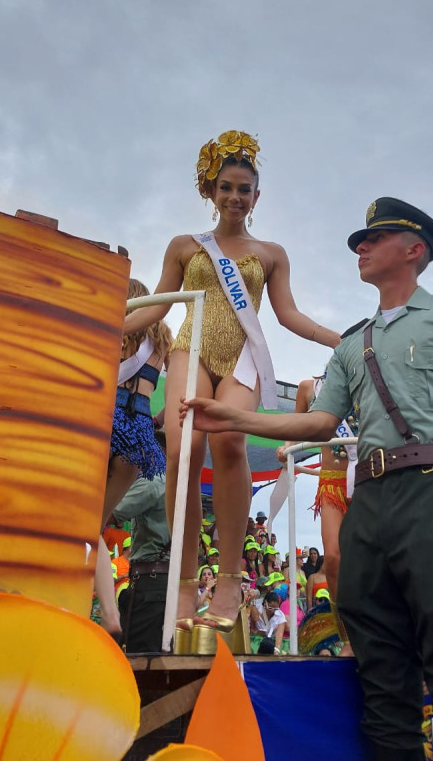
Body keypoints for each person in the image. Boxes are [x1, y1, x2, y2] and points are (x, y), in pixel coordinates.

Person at [182, 198, 433, 761]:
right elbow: (322, 421)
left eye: (375, 238)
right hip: (367, 507)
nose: (360, 248)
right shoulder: (353, 341)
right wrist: (236, 417)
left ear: (414, 250)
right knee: (383, 690)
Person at [122, 130, 339, 655]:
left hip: (241, 360)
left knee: (230, 444)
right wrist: (114, 319)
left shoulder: (271, 254)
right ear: (210, 191)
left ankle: (228, 580)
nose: (236, 198)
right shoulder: (185, 246)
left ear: (257, 197)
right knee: (183, 446)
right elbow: (158, 307)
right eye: (227, 188)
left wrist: (345, 339)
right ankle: (184, 578)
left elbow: (287, 316)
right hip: (190, 351)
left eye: (245, 189)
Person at [95, 278, 172, 636]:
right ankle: (110, 617)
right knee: (97, 522)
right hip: (140, 435)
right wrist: (158, 420)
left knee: (83, 526)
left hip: (106, 423)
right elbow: (180, 386)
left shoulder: (118, 329)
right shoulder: (162, 341)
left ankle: (106, 614)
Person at [276, 372, 358, 654]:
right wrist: (287, 447)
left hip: (367, 480)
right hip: (333, 483)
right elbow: (295, 428)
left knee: (368, 562)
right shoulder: (309, 388)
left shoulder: (370, 379)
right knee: (333, 558)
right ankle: (346, 637)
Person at [107, 475, 171, 653]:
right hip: (161, 580)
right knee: (154, 651)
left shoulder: (154, 480)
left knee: (141, 655)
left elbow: (110, 513)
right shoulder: (179, 481)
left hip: (152, 581)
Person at [249, 590, 287, 654]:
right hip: (257, 642)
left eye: (275, 609)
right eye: (270, 608)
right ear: (265, 603)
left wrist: (277, 650)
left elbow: (279, 634)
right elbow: (254, 621)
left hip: (272, 643)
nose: (273, 611)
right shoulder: (257, 609)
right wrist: (257, 632)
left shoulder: (280, 615)